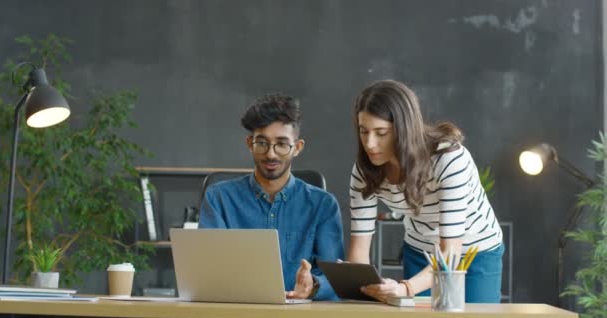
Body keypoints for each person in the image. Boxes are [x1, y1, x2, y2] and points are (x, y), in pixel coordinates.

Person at [348, 79, 504, 303]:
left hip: (475, 251)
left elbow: (450, 252)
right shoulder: (364, 171)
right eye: (364, 131)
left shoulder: (449, 158)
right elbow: (359, 253)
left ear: (404, 129)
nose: (370, 144)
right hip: (419, 248)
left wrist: (406, 288)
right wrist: (363, 288)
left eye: (381, 133)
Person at [199, 93, 344, 301]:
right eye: (262, 143)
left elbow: (335, 278)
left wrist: (313, 286)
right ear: (250, 143)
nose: (271, 154)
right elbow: (206, 268)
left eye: (282, 144)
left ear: (298, 148)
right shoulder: (219, 198)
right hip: (236, 312)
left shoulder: (323, 205)